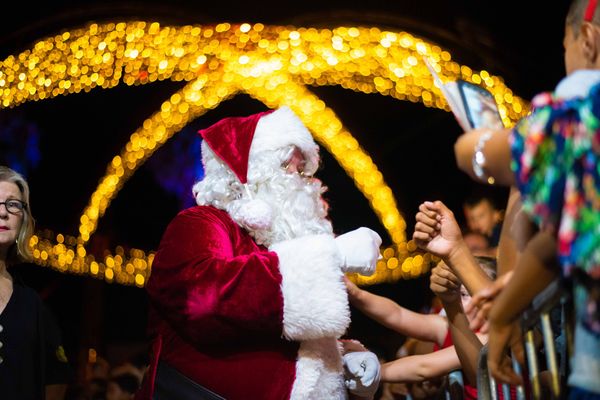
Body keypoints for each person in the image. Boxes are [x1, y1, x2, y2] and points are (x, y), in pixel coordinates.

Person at [135, 106, 383, 400]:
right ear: (252, 173)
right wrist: (330, 254)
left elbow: (286, 343)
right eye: (289, 166)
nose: (302, 180)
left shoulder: (278, 242)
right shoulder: (201, 223)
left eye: (304, 169)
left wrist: (342, 358)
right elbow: (202, 300)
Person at [452, 0, 600, 397]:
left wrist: (478, 144)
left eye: (566, 48)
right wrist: (512, 296)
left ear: (587, 39)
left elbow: (477, 154)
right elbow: (566, 234)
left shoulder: (580, 117)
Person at [345, 256, 498, 399]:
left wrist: (370, 370)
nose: (453, 298)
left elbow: (423, 367)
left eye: (463, 294)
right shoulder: (447, 325)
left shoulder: (487, 338)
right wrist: (355, 293)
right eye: (453, 291)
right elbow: (397, 315)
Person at [0, 166, 72, 400]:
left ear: (23, 218)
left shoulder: (31, 305)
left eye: (13, 204)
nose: (4, 213)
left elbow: (55, 377)